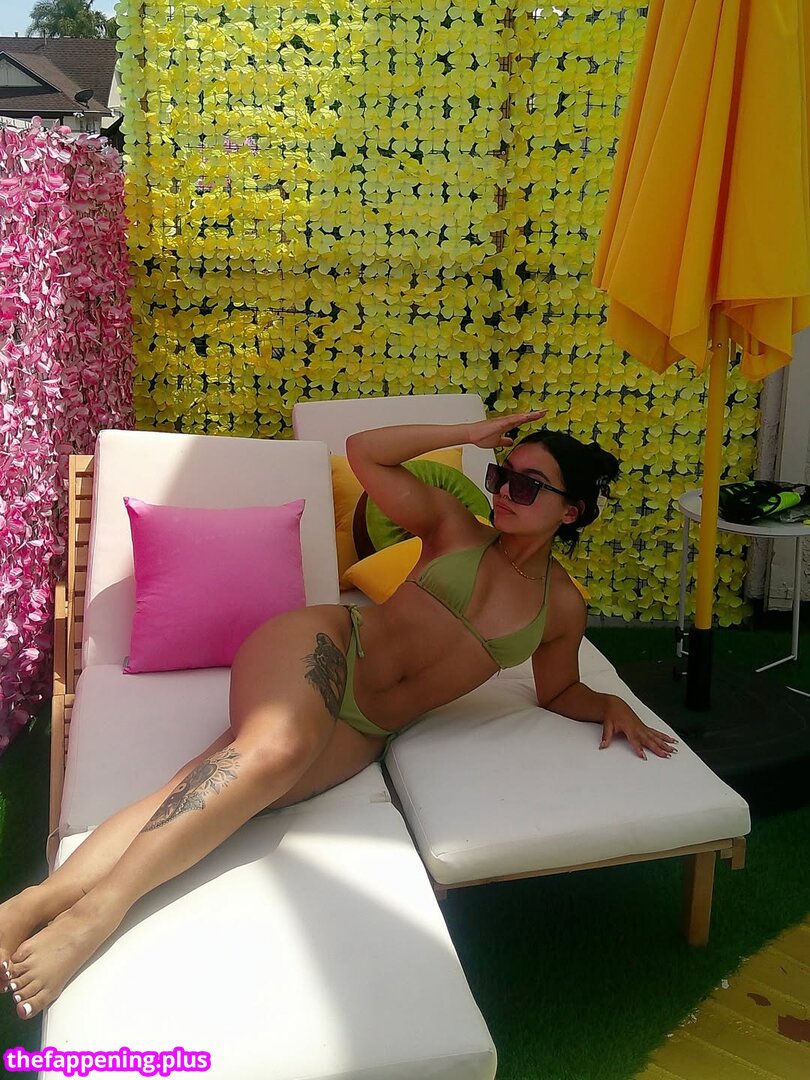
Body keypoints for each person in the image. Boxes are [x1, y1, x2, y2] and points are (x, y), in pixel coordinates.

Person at [0, 408, 677, 1020]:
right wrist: (466, 435)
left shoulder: (561, 607)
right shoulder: (454, 529)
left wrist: (609, 702)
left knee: (219, 783)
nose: (503, 492)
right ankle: (97, 915)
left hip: (365, 728)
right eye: (503, 476)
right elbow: (364, 451)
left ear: (571, 512)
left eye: (528, 487)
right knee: (268, 757)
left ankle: (31, 904)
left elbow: (558, 690)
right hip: (326, 647)